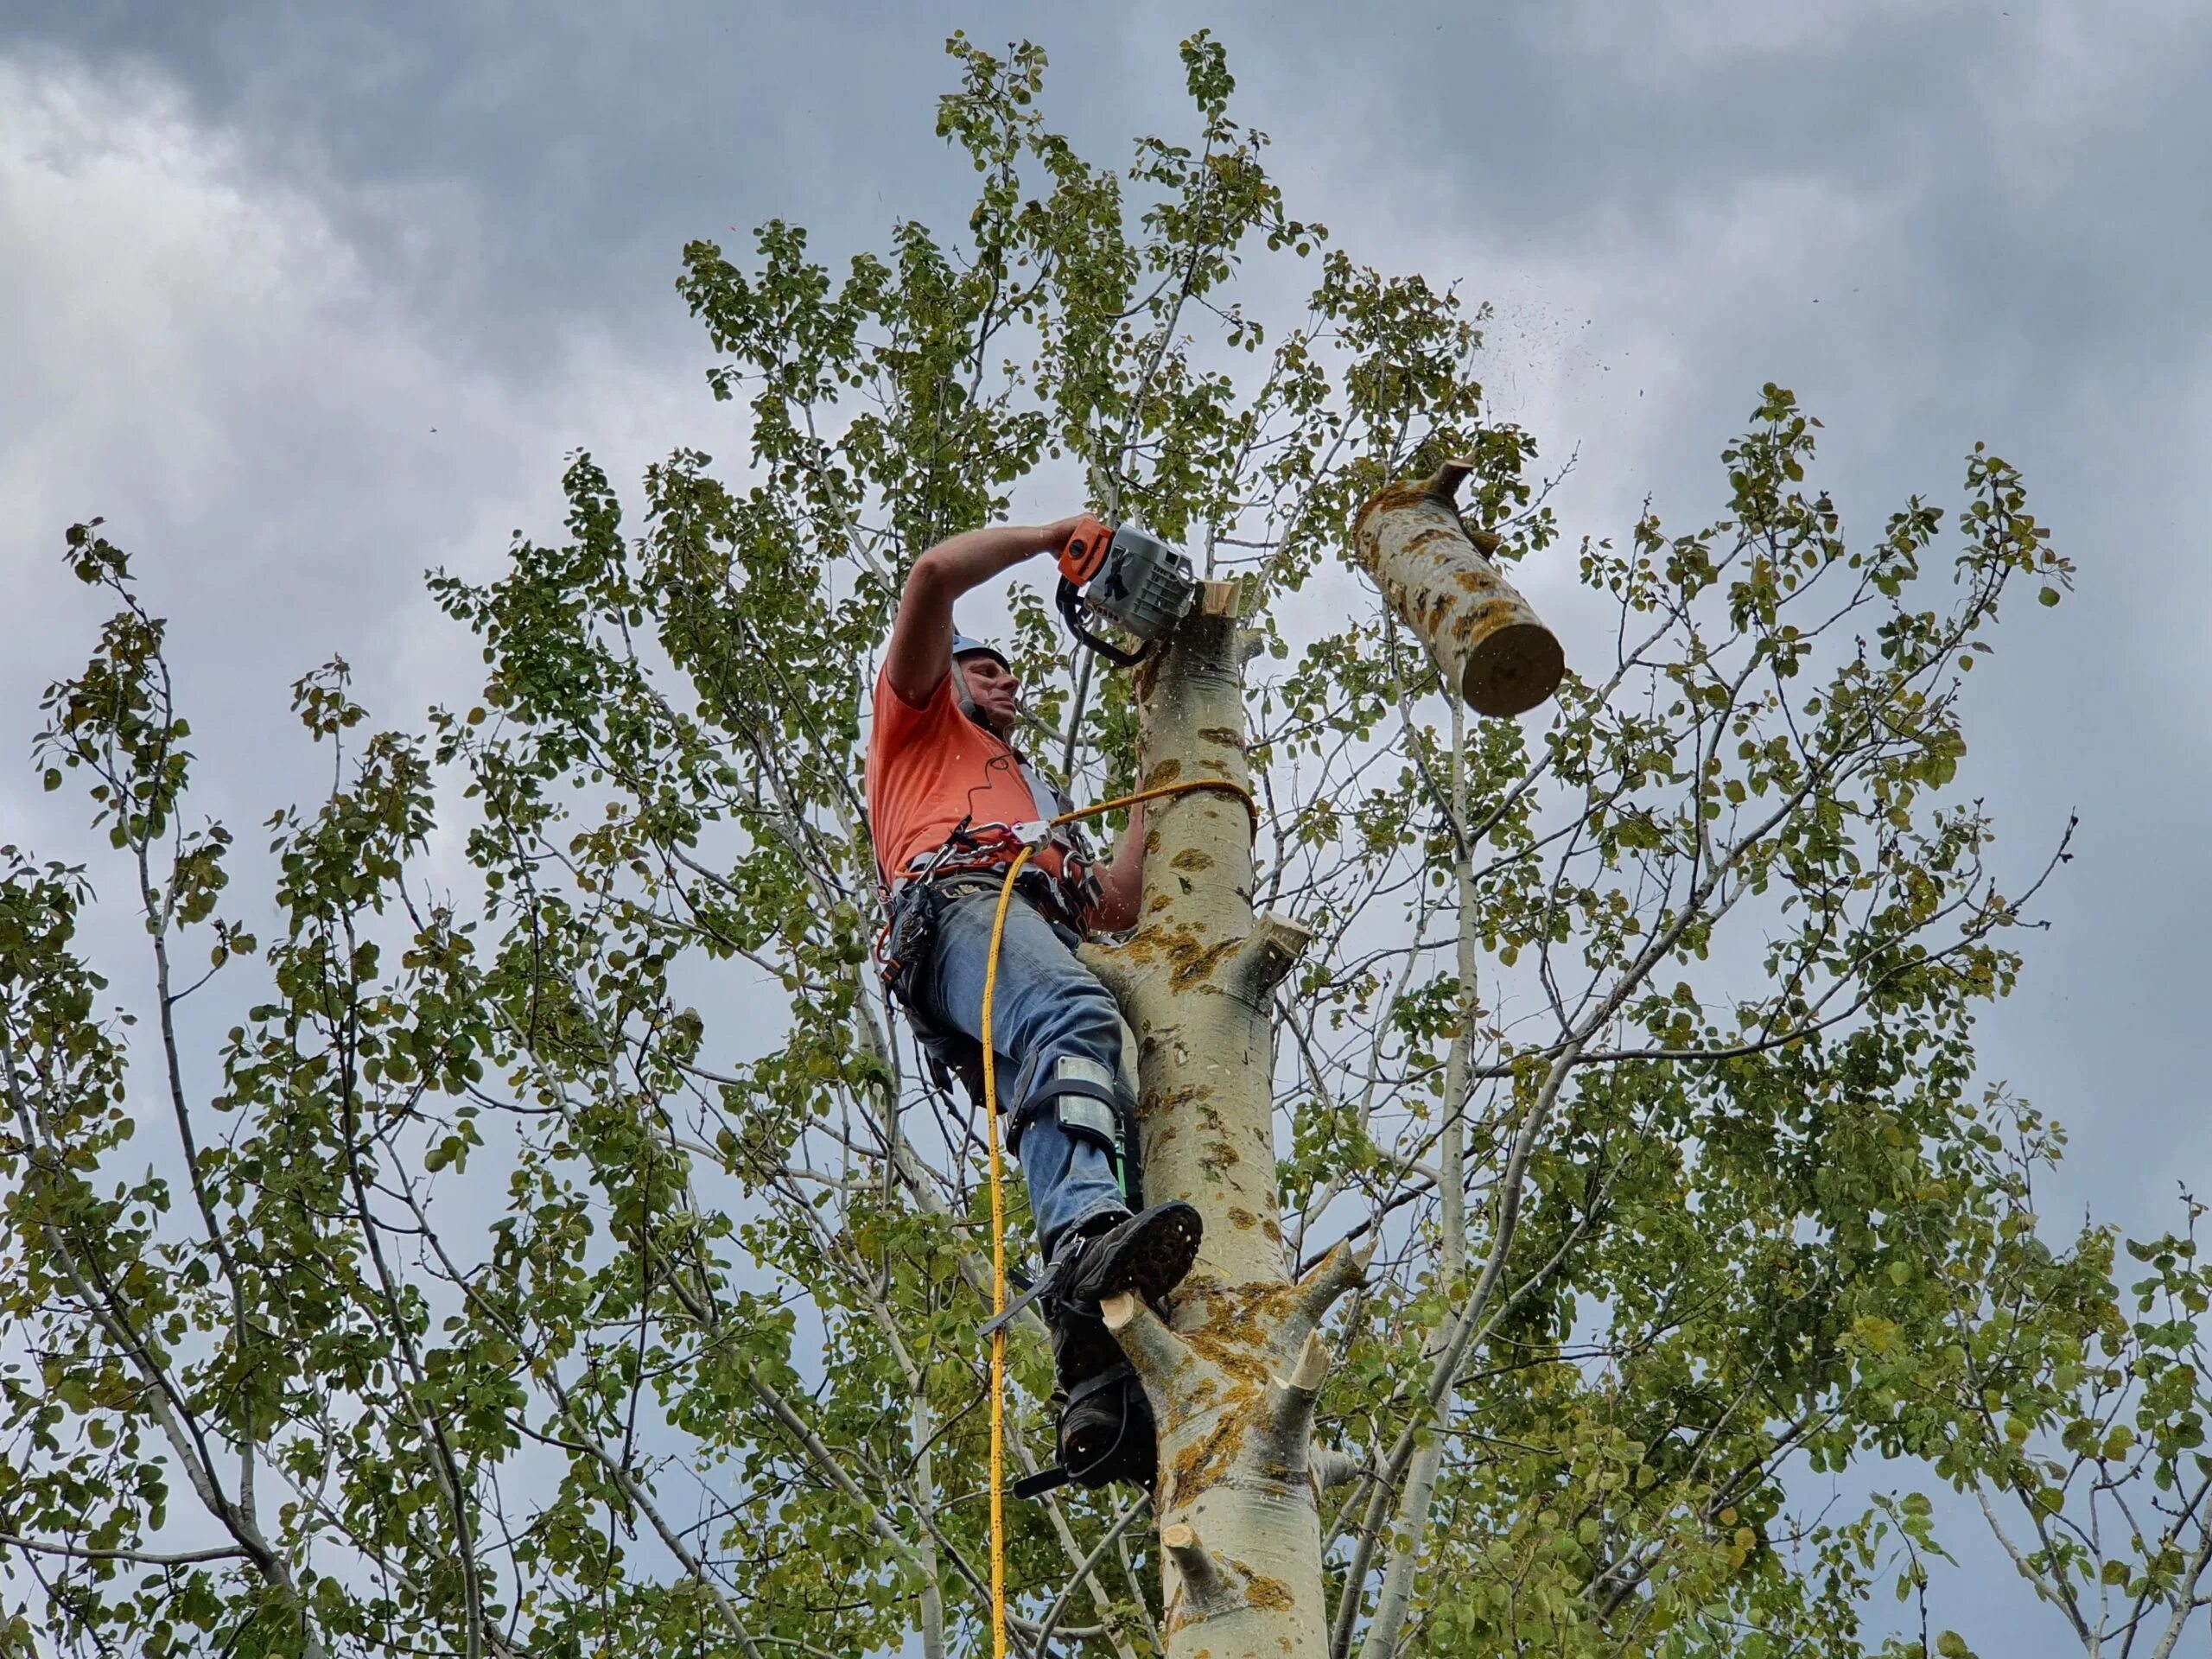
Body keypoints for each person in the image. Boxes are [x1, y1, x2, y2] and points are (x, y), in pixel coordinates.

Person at [867, 516, 1199, 1491]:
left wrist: (1155, 790)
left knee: (1106, 1103)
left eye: (1012, 671)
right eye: (988, 668)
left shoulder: (1035, 794)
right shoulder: (918, 722)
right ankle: (1087, 1243)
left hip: (1027, 933)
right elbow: (931, 575)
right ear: (948, 676)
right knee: (1077, 1023)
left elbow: (1113, 905)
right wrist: (1056, 535)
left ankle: (1100, 1383)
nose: (1007, 681)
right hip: (961, 908)